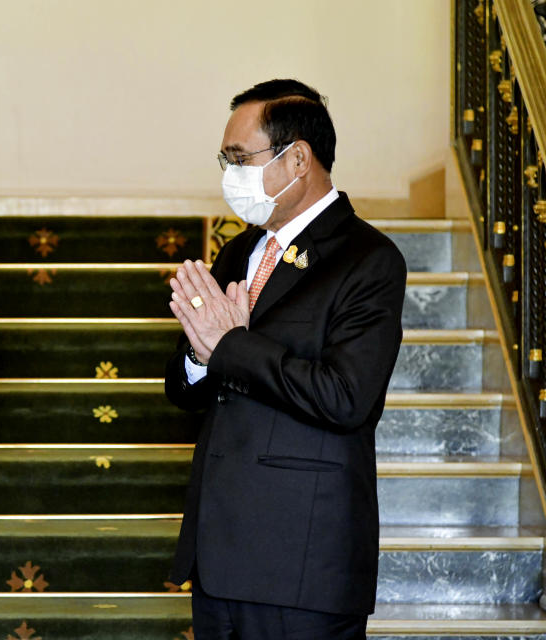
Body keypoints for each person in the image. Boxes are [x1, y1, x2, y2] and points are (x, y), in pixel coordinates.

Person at [165, 79, 407, 639]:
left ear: (298, 158)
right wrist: (201, 357)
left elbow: (346, 398)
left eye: (240, 158)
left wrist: (230, 347)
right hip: (218, 558)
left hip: (300, 565)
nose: (230, 174)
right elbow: (185, 387)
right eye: (224, 160)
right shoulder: (237, 250)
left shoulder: (367, 260)